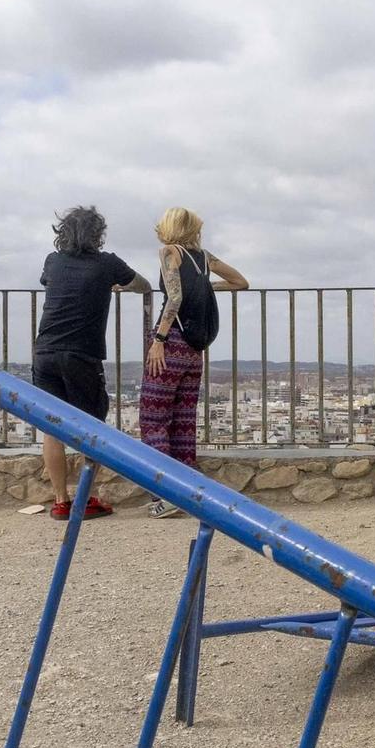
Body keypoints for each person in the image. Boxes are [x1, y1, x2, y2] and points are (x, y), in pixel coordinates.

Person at [33, 205, 150, 520]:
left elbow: (49, 282)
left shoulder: (53, 261)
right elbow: (143, 284)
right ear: (97, 235)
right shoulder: (107, 263)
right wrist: (119, 285)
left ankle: (60, 501)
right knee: (91, 427)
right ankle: (86, 499)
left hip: (44, 352)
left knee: (51, 428)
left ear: (63, 234)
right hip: (82, 354)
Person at [140, 207, 248, 517]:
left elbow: (173, 298)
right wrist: (205, 286)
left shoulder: (169, 251)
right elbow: (241, 282)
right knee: (184, 419)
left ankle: (164, 495)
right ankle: (191, 491)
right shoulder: (203, 256)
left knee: (154, 419)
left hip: (171, 342)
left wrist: (158, 341)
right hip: (194, 348)